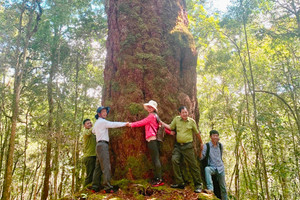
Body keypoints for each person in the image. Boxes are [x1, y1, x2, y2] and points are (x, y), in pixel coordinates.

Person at [161, 106, 203, 193]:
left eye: (186, 112)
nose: (185, 114)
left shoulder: (191, 122)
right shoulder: (177, 119)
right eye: (183, 112)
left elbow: (197, 133)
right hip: (178, 146)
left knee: (193, 165)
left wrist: (201, 142)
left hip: (188, 146)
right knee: (174, 160)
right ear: (179, 114)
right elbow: (170, 127)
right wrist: (161, 122)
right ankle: (180, 183)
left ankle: (198, 184)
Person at [128, 100, 168, 187]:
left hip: (152, 139)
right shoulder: (156, 116)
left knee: (156, 159)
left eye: (151, 107)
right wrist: (170, 132)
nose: (149, 108)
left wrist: (131, 124)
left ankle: (159, 179)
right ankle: (157, 178)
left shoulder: (151, 116)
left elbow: (142, 122)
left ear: (154, 108)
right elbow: (163, 126)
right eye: (149, 107)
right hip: (154, 139)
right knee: (155, 159)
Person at [91, 106, 128, 193]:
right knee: (106, 166)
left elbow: (93, 131)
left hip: (98, 145)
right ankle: (107, 187)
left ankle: (95, 187)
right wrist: (125, 124)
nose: (105, 113)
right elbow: (113, 124)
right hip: (103, 145)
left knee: (98, 167)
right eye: (103, 112)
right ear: (99, 114)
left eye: (105, 112)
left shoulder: (97, 123)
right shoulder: (102, 122)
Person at [201, 130, 227, 200]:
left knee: (223, 188)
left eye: (217, 136)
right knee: (207, 169)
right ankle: (210, 189)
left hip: (220, 168)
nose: (216, 137)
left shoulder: (220, 146)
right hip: (212, 168)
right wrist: (200, 149)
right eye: (214, 135)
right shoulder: (206, 146)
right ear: (210, 137)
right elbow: (201, 157)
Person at [81, 119, 101, 189]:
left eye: (90, 123)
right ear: (84, 126)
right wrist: (98, 123)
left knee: (94, 174)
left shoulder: (93, 134)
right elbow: (90, 131)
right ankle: (84, 191)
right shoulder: (85, 132)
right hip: (89, 156)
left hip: (94, 155)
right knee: (89, 175)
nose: (89, 124)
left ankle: (91, 188)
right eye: (87, 123)